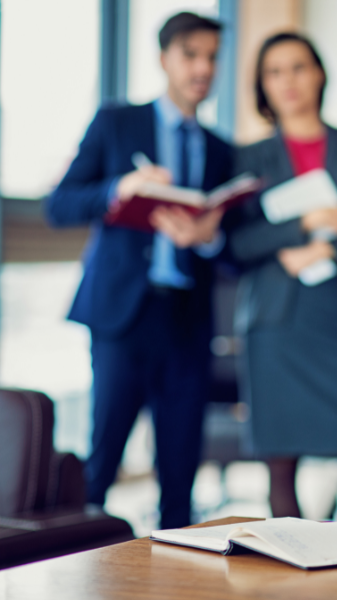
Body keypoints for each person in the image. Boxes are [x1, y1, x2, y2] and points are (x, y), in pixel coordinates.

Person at [45, 12, 233, 529]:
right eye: (191, 55)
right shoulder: (116, 122)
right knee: (101, 462)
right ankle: (71, 560)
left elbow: (234, 250)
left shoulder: (220, 149)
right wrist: (117, 190)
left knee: (179, 474)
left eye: (212, 58)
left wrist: (210, 236)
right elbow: (58, 205)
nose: (203, 68)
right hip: (122, 318)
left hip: (186, 324)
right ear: (163, 58)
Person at [229, 32, 337, 522]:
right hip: (279, 323)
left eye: (298, 67)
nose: (288, 81)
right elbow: (237, 243)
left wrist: (330, 247)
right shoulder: (248, 158)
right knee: (280, 467)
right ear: (262, 85)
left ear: (319, 73)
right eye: (274, 71)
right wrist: (302, 225)